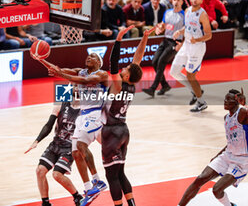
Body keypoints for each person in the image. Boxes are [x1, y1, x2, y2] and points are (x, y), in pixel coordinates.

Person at [38, 53, 109, 206]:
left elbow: (85, 81)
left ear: (99, 62)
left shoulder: (102, 74)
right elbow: (58, 69)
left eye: (93, 57)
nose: (89, 58)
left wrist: (61, 74)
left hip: (95, 113)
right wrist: (41, 59)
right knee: (76, 152)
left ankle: (97, 181)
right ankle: (89, 188)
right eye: (88, 56)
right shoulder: (80, 71)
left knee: (82, 146)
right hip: (83, 114)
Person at [178, 89, 248, 206]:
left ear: (236, 102)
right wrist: (217, 156)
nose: (225, 101)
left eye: (229, 99)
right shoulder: (226, 118)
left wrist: (246, 105)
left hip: (241, 161)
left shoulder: (242, 113)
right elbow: (231, 142)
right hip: (227, 155)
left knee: (217, 189)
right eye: (225, 99)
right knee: (200, 179)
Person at [102, 25, 155, 206]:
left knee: (111, 176)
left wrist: (118, 39)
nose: (123, 68)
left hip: (111, 132)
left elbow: (113, 63)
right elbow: (137, 60)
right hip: (124, 131)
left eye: (125, 70)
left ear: (125, 77)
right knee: (120, 172)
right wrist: (145, 38)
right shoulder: (131, 83)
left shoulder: (118, 85)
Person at [25, 99, 83, 206]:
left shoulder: (86, 109)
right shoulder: (61, 103)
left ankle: (77, 196)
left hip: (69, 148)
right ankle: (45, 203)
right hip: (56, 144)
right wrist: (37, 140)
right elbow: (49, 125)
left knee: (57, 175)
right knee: (40, 170)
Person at [171, 0, 212, 112]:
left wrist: (197, 39)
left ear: (201, 1)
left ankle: (201, 102)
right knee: (174, 71)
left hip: (197, 47)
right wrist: (180, 32)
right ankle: (195, 91)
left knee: (190, 75)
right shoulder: (187, 10)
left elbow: (209, 35)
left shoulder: (202, 15)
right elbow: (187, 27)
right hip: (186, 45)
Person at [142, 0, 185, 97]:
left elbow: (187, 30)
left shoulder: (184, 14)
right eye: (174, 0)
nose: (176, 2)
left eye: (178, 0)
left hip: (175, 42)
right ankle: (165, 85)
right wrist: (159, 28)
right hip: (165, 40)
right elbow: (163, 25)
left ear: (182, 2)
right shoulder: (167, 12)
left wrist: (182, 44)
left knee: (161, 61)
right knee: (154, 62)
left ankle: (153, 88)